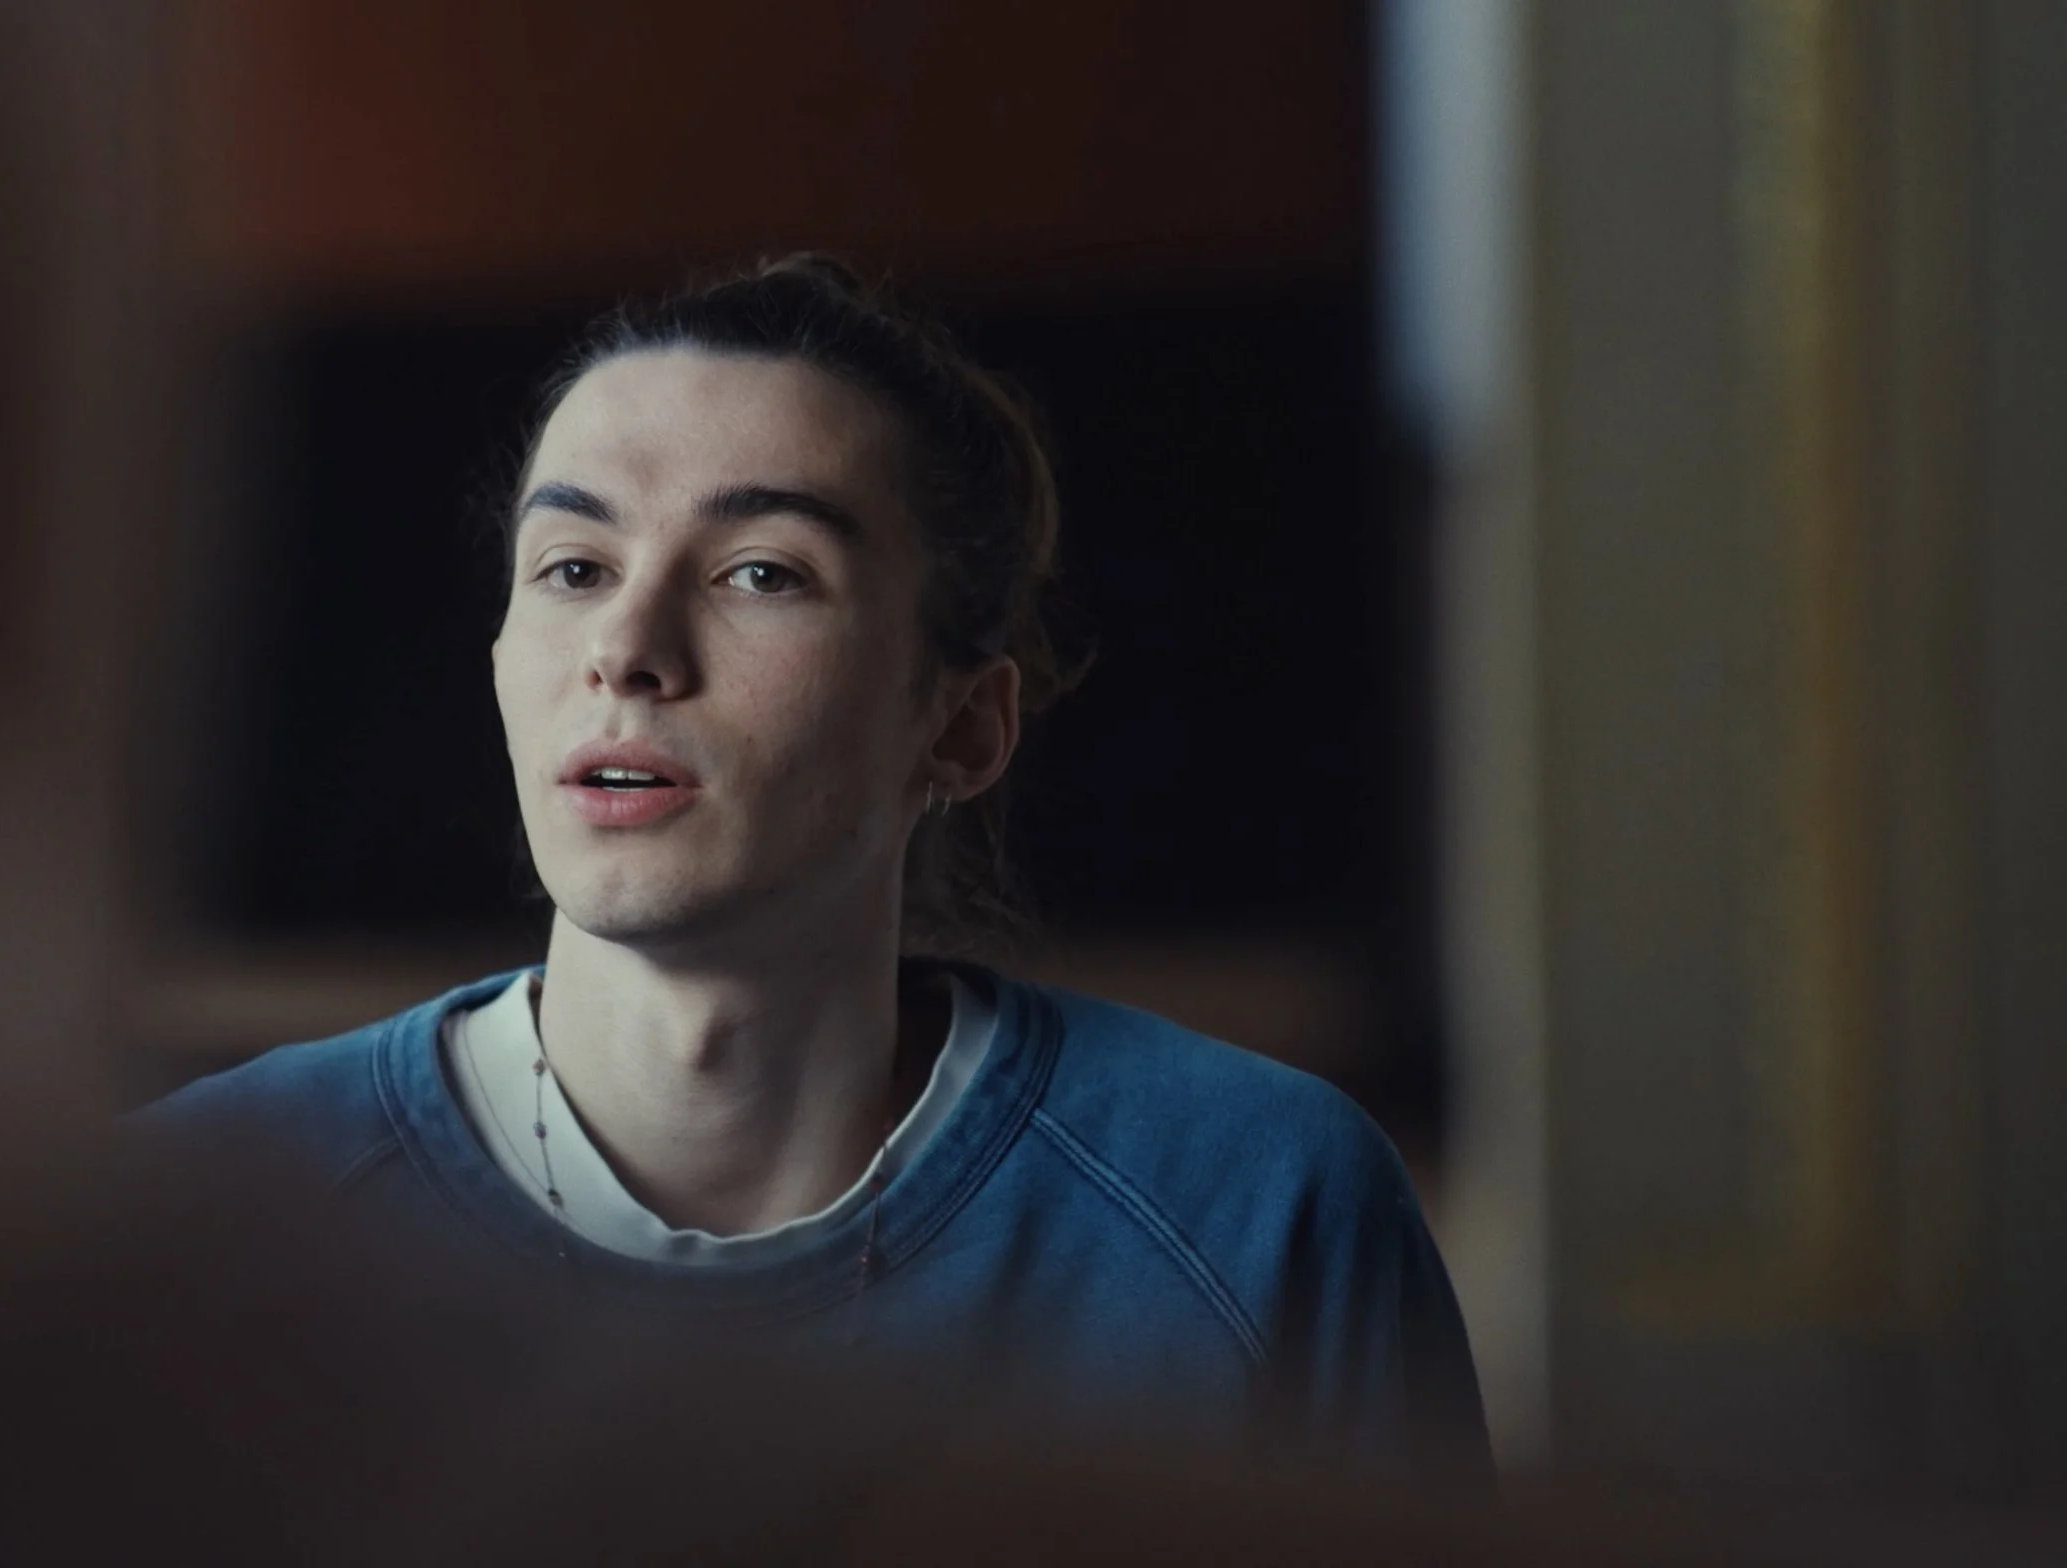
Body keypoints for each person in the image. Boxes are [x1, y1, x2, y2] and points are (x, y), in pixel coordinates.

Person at [147, 254, 1489, 1472]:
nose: (628, 645)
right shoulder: (187, 1222)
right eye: (572, 565)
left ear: (960, 724)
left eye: (761, 574)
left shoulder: (1258, 1212)